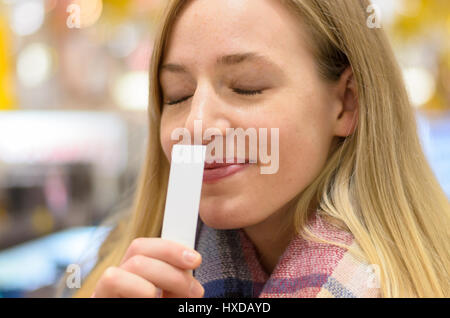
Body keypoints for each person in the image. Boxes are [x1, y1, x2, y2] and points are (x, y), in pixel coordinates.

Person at [73, 0, 450, 298]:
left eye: (246, 87)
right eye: (178, 95)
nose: (196, 125)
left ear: (346, 103)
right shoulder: (123, 276)